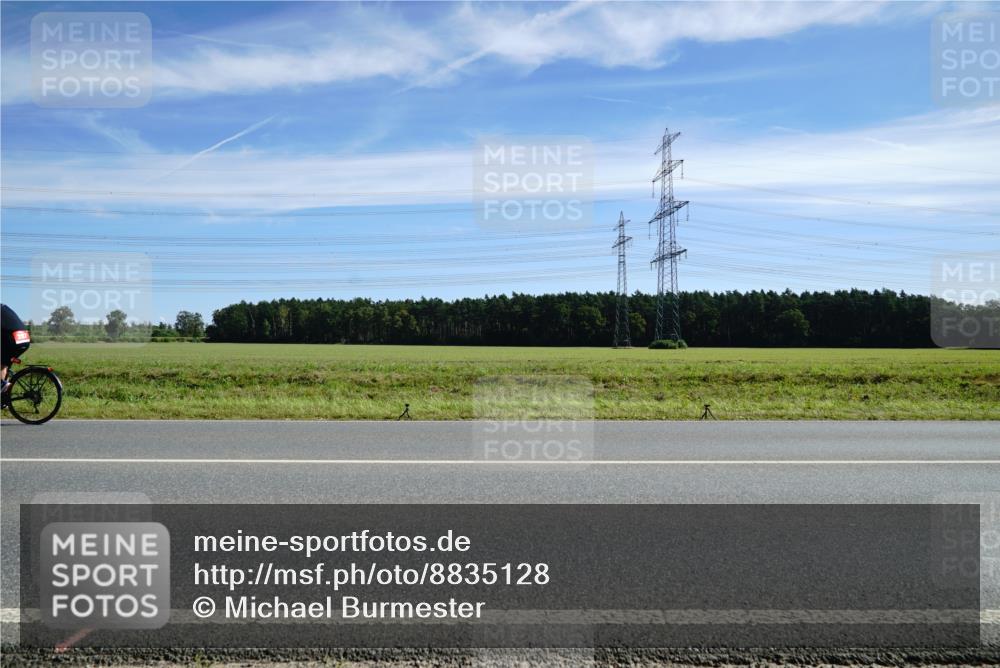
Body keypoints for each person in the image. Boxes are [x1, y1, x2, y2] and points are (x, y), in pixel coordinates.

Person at [1, 304, 31, 394]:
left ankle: (2, 385)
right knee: (6, 363)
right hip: (25, 339)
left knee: (2, 363)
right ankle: (5, 397)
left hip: (13, 339)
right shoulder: (4, 307)